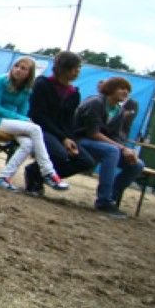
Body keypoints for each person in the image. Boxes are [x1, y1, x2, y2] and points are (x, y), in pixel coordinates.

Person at [0, 57, 70, 192]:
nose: (18, 70)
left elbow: (23, 112)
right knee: (35, 129)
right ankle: (49, 172)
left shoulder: (27, 89)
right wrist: (21, 119)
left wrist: (22, 119)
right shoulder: (0, 81)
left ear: (30, 73)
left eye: (23, 68)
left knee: (28, 144)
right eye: (16, 66)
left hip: (12, 123)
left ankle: (3, 178)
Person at [25, 51, 100, 202]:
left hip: (61, 135)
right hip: (40, 129)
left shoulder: (74, 93)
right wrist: (63, 138)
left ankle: (36, 173)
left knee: (86, 161)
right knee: (60, 154)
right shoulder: (42, 84)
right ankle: (35, 176)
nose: (77, 71)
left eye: (79, 68)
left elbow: (69, 121)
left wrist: (70, 139)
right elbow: (38, 115)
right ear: (63, 68)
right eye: (75, 67)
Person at [73, 76, 145, 217]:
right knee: (112, 151)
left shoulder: (118, 110)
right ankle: (104, 201)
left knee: (137, 164)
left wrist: (128, 150)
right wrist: (121, 148)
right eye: (122, 88)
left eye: (128, 90)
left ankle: (111, 198)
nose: (126, 92)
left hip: (100, 145)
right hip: (79, 140)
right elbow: (93, 133)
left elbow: (115, 137)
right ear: (111, 88)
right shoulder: (96, 102)